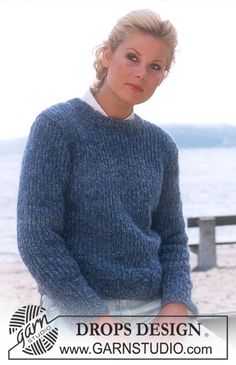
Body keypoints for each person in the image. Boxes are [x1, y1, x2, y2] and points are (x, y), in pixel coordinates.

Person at [17, 9, 197, 328]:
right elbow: (37, 237)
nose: (141, 73)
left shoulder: (161, 145)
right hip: (74, 310)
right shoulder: (57, 127)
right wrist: (94, 315)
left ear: (163, 76)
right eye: (132, 57)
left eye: (155, 66)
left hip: (154, 308)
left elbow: (172, 237)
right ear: (106, 55)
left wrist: (176, 303)